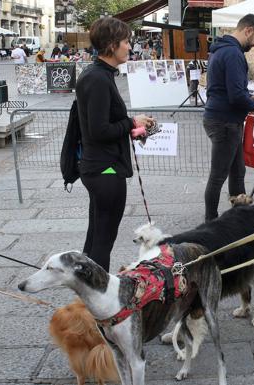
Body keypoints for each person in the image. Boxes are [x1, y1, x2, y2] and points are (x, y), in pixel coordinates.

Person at [75, 17, 156, 272]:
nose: (129, 47)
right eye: (125, 42)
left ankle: (87, 291)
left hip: (102, 166)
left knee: (97, 235)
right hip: (105, 169)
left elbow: (105, 124)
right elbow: (98, 130)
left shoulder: (101, 75)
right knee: (102, 239)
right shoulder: (97, 78)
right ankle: (97, 299)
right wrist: (131, 121)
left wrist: (133, 128)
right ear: (111, 45)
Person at [202, 13, 254, 222]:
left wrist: (250, 98)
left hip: (223, 119)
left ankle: (240, 216)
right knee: (219, 175)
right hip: (225, 122)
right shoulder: (233, 54)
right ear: (248, 30)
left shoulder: (222, 50)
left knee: (237, 171)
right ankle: (211, 222)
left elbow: (229, 90)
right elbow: (236, 95)